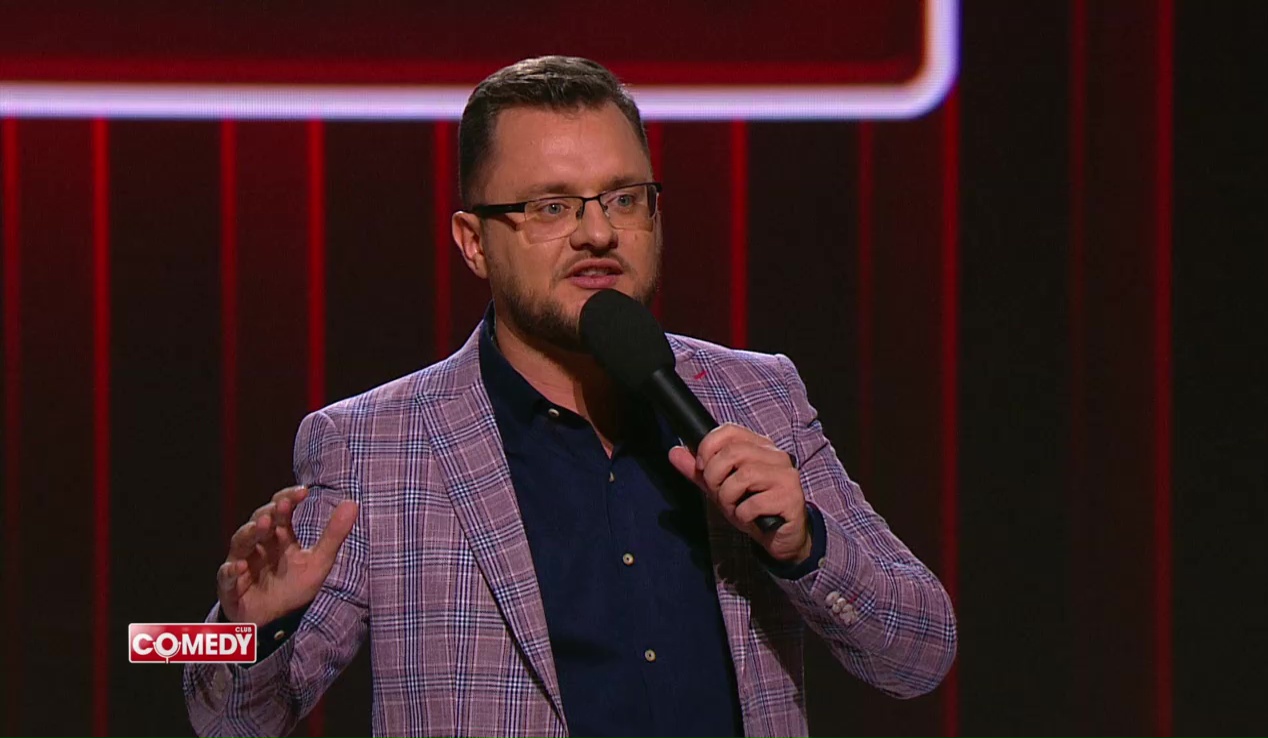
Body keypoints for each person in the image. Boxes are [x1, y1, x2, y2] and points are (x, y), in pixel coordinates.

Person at [183, 55, 956, 738]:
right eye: (551, 207)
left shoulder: (758, 395)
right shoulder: (374, 443)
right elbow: (224, 719)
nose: (598, 233)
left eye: (624, 198)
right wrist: (249, 632)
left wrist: (806, 547)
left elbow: (924, 652)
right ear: (474, 242)